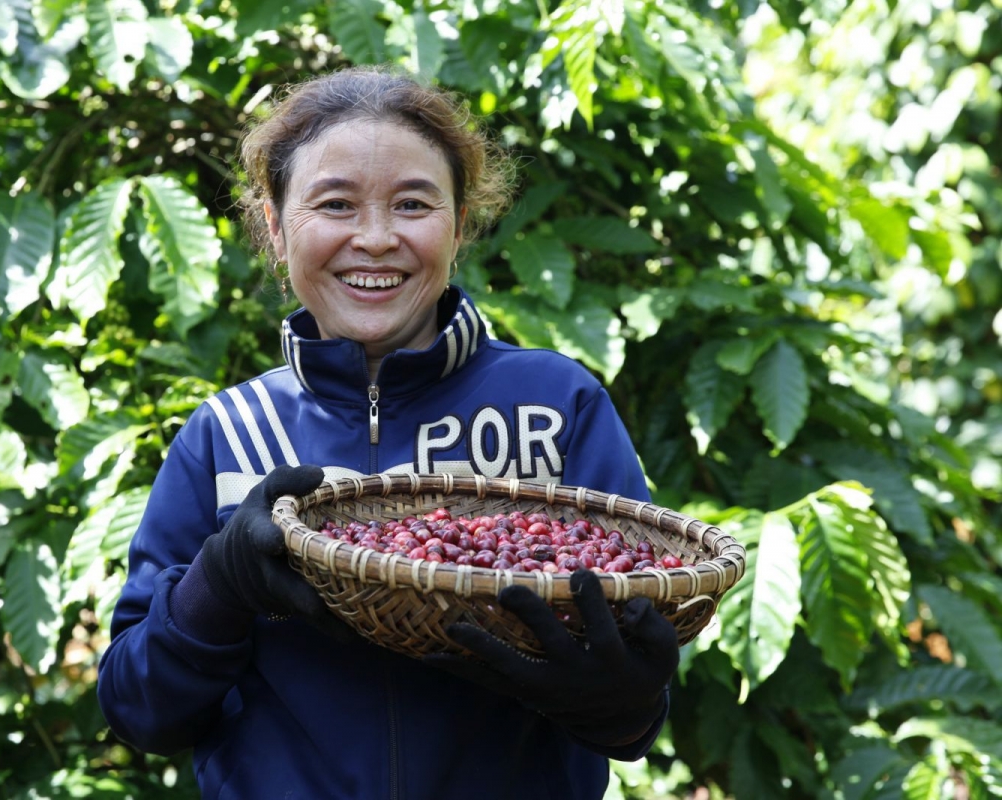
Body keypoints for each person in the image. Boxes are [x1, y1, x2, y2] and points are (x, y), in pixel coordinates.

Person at [96, 65, 679, 799]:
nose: (374, 239)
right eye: (335, 204)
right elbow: (136, 710)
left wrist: (618, 699)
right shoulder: (226, 436)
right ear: (276, 228)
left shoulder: (556, 407)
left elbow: (635, 720)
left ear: (459, 225)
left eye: (412, 204)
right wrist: (220, 582)